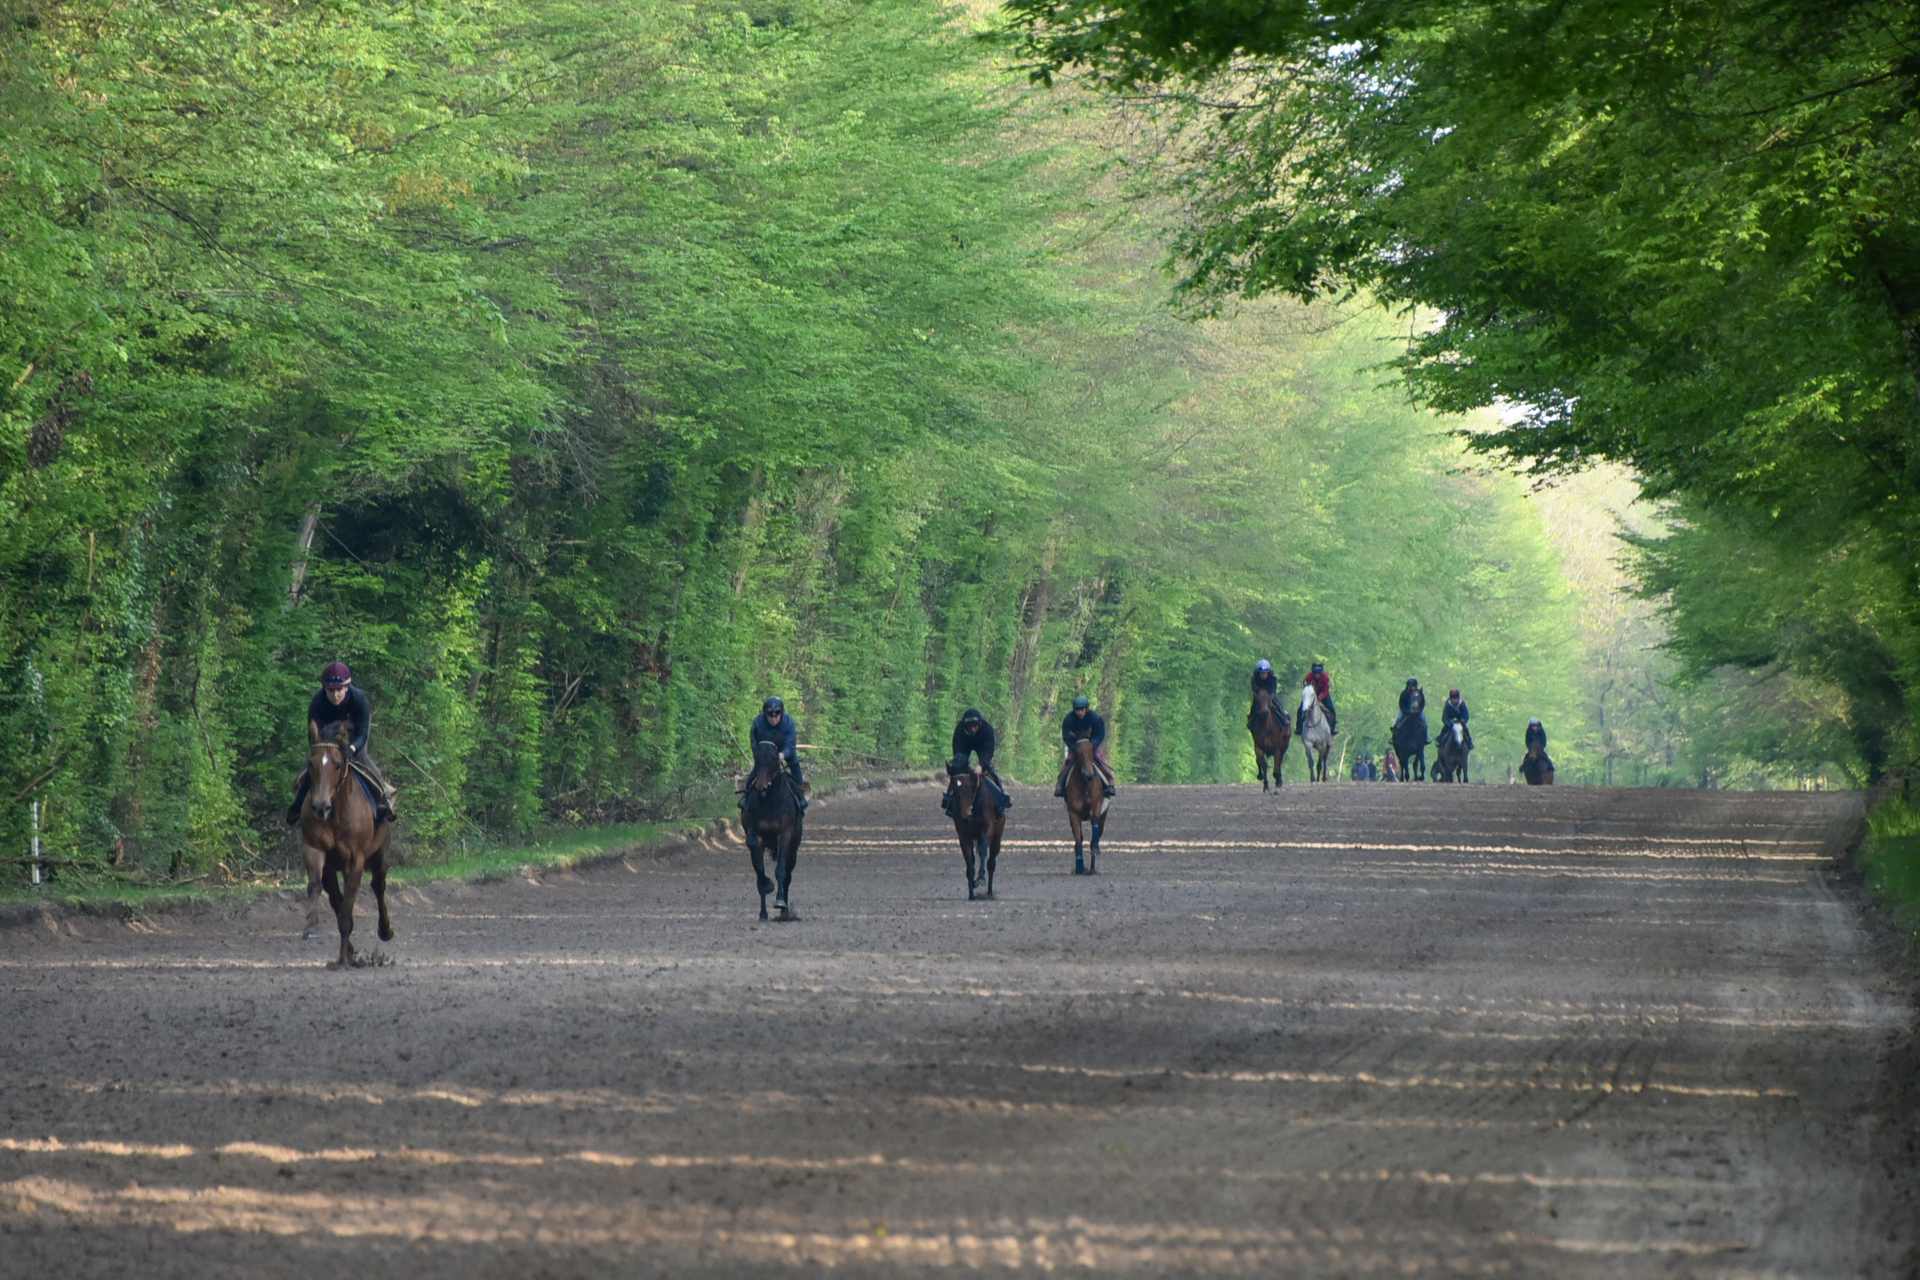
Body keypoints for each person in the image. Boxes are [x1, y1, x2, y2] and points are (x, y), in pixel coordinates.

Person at [287, 662, 395, 825]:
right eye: (331, 690)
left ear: (347, 687)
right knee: (316, 765)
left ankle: (383, 798)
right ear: (324, 689)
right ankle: (298, 806)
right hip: (327, 736)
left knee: (361, 756)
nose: (335, 694)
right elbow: (314, 737)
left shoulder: (359, 701)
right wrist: (322, 752)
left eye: (339, 690)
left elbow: (362, 734)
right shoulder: (317, 703)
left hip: (354, 732)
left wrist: (351, 748)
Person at [749, 695, 807, 810]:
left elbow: (791, 744)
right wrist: (759, 754)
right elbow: (754, 741)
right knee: (757, 770)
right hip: (765, 752)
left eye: (776, 716)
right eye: (770, 717)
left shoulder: (789, 723)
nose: (773, 719)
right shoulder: (758, 723)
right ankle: (747, 797)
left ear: (781, 714)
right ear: (765, 714)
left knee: (795, 766)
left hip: (783, 750)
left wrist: (783, 754)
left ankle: (801, 797)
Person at [948, 708, 1010, 813]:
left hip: (982, 747)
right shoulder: (959, 730)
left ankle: (1001, 795)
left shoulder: (987, 729)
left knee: (991, 771)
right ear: (965, 726)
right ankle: (949, 796)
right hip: (965, 747)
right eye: (969, 727)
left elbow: (988, 750)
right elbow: (958, 750)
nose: (972, 729)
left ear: (979, 724)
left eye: (975, 726)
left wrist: (981, 765)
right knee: (957, 772)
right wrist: (962, 765)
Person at [1054, 695, 1115, 798]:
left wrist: (1093, 744)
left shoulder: (1096, 719)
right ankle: (1060, 785)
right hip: (1076, 746)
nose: (1079, 712)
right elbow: (1066, 736)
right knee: (1069, 760)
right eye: (1077, 710)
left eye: (1082, 709)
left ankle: (1110, 782)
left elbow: (1100, 734)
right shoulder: (1069, 720)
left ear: (1086, 709)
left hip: (1091, 745)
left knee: (1100, 758)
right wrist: (1073, 748)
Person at [1247, 659, 1284, 732]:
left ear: (1268, 672)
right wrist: (1257, 695)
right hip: (1259, 695)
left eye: (1265, 673)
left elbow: (1273, 690)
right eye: (1261, 673)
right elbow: (1254, 688)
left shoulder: (1272, 678)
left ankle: (1284, 718)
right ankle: (1251, 721)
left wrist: (1271, 697)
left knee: (1276, 703)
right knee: (1255, 704)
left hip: (1270, 694)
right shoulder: (1255, 677)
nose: (1263, 675)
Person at [1304, 661, 1337, 734]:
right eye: (1315, 673)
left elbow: (1326, 690)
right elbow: (1306, 687)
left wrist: (1320, 697)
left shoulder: (1325, 678)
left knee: (1331, 709)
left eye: (1318, 673)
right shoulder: (1308, 677)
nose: (1317, 675)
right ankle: (1299, 727)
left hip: (1323, 695)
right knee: (1301, 709)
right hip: (1311, 694)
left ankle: (1333, 727)